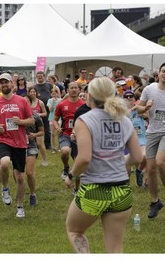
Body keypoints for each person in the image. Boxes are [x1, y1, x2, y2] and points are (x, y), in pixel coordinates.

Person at [64, 77, 142, 253]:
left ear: (89, 95)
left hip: (94, 189)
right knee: (115, 249)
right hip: (122, 190)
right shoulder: (125, 120)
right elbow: (137, 157)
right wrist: (121, 162)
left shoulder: (85, 120)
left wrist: (71, 176)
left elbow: (84, 159)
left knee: (75, 231)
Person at [0, 73, 34, 218]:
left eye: (6, 82)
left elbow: (31, 120)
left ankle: (20, 206)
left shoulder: (22, 101)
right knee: (4, 163)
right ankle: (5, 188)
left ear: (11, 84)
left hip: (19, 142)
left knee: (19, 177)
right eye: (1, 83)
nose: (4, 85)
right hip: (3, 139)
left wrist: (20, 122)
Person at [135, 62, 165, 219]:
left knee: (160, 162)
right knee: (151, 169)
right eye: (163, 71)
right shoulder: (149, 89)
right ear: (158, 74)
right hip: (152, 132)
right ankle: (155, 202)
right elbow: (138, 108)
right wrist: (145, 108)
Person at [53, 81, 85, 181]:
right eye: (72, 88)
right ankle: (66, 167)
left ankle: (76, 187)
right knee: (65, 151)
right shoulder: (62, 104)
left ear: (79, 90)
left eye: (76, 88)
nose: (74, 90)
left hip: (79, 136)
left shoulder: (84, 105)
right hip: (65, 133)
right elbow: (54, 119)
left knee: (78, 163)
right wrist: (57, 127)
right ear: (67, 90)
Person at [24, 95, 44, 206]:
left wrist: (34, 135)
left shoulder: (35, 116)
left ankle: (32, 194)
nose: (24, 103)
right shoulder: (16, 116)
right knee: (17, 173)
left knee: (29, 173)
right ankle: (20, 189)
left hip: (31, 146)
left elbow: (42, 132)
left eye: (27, 102)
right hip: (18, 147)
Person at [123, 90, 147, 187]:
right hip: (126, 141)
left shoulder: (139, 110)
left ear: (134, 99)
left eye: (131, 96)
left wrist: (144, 113)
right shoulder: (121, 112)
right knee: (127, 171)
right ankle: (125, 187)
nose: (129, 98)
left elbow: (147, 115)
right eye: (126, 97)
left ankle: (139, 171)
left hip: (140, 140)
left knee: (144, 157)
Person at [27, 86, 48, 166]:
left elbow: (45, 113)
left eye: (34, 91)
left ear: (36, 93)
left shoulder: (40, 102)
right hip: (29, 126)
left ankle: (44, 159)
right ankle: (30, 158)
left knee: (40, 143)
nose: (32, 93)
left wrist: (38, 114)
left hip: (38, 125)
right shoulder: (26, 102)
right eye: (31, 92)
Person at [34, 71, 53, 149]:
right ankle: (35, 144)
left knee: (47, 128)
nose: (40, 77)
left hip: (47, 110)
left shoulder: (49, 85)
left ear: (44, 76)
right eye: (38, 76)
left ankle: (47, 144)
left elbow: (55, 93)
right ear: (36, 77)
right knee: (36, 128)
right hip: (37, 110)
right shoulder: (35, 87)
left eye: (41, 76)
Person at [47, 88, 62, 153]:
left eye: (55, 94)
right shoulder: (49, 100)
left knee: (59, 133)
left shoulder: (60, 100)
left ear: (57, 94)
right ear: (51, 94)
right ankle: (53, 148)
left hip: (59, 119)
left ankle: (59, 147)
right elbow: (50, 110)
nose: (54, 95)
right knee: (52, 133)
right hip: (51, 118)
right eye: (52, 94)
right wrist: (53, 102)